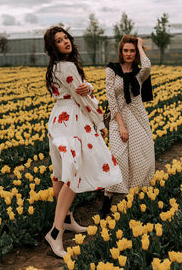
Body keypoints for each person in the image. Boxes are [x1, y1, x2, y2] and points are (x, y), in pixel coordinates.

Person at [43, 26, 122, 258]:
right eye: (59, 40)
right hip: (74, 122)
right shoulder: (67, 66)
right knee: (73, 173)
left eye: (66, 37)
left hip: (58, 119)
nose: (65, 41)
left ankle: (66, 220)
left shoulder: (54, 67)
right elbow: (82, 97)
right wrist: (99, 123)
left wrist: (90, 86)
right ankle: (55, 233)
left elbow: (78, 88)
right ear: (52, 46)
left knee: (60, 172)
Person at [99, 35, 155, 218]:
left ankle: (136, 202)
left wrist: (140, 45)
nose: (129, 54)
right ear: (121, 52)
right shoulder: (112, 70)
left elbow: (147, 65)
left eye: (132, 51)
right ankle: (107, 200)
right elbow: (111, 99)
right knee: (117, 157)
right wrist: (121, 125)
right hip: (118, 120)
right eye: (126, 50)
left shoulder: (139, 73)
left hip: (138, 119)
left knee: (139, 159)